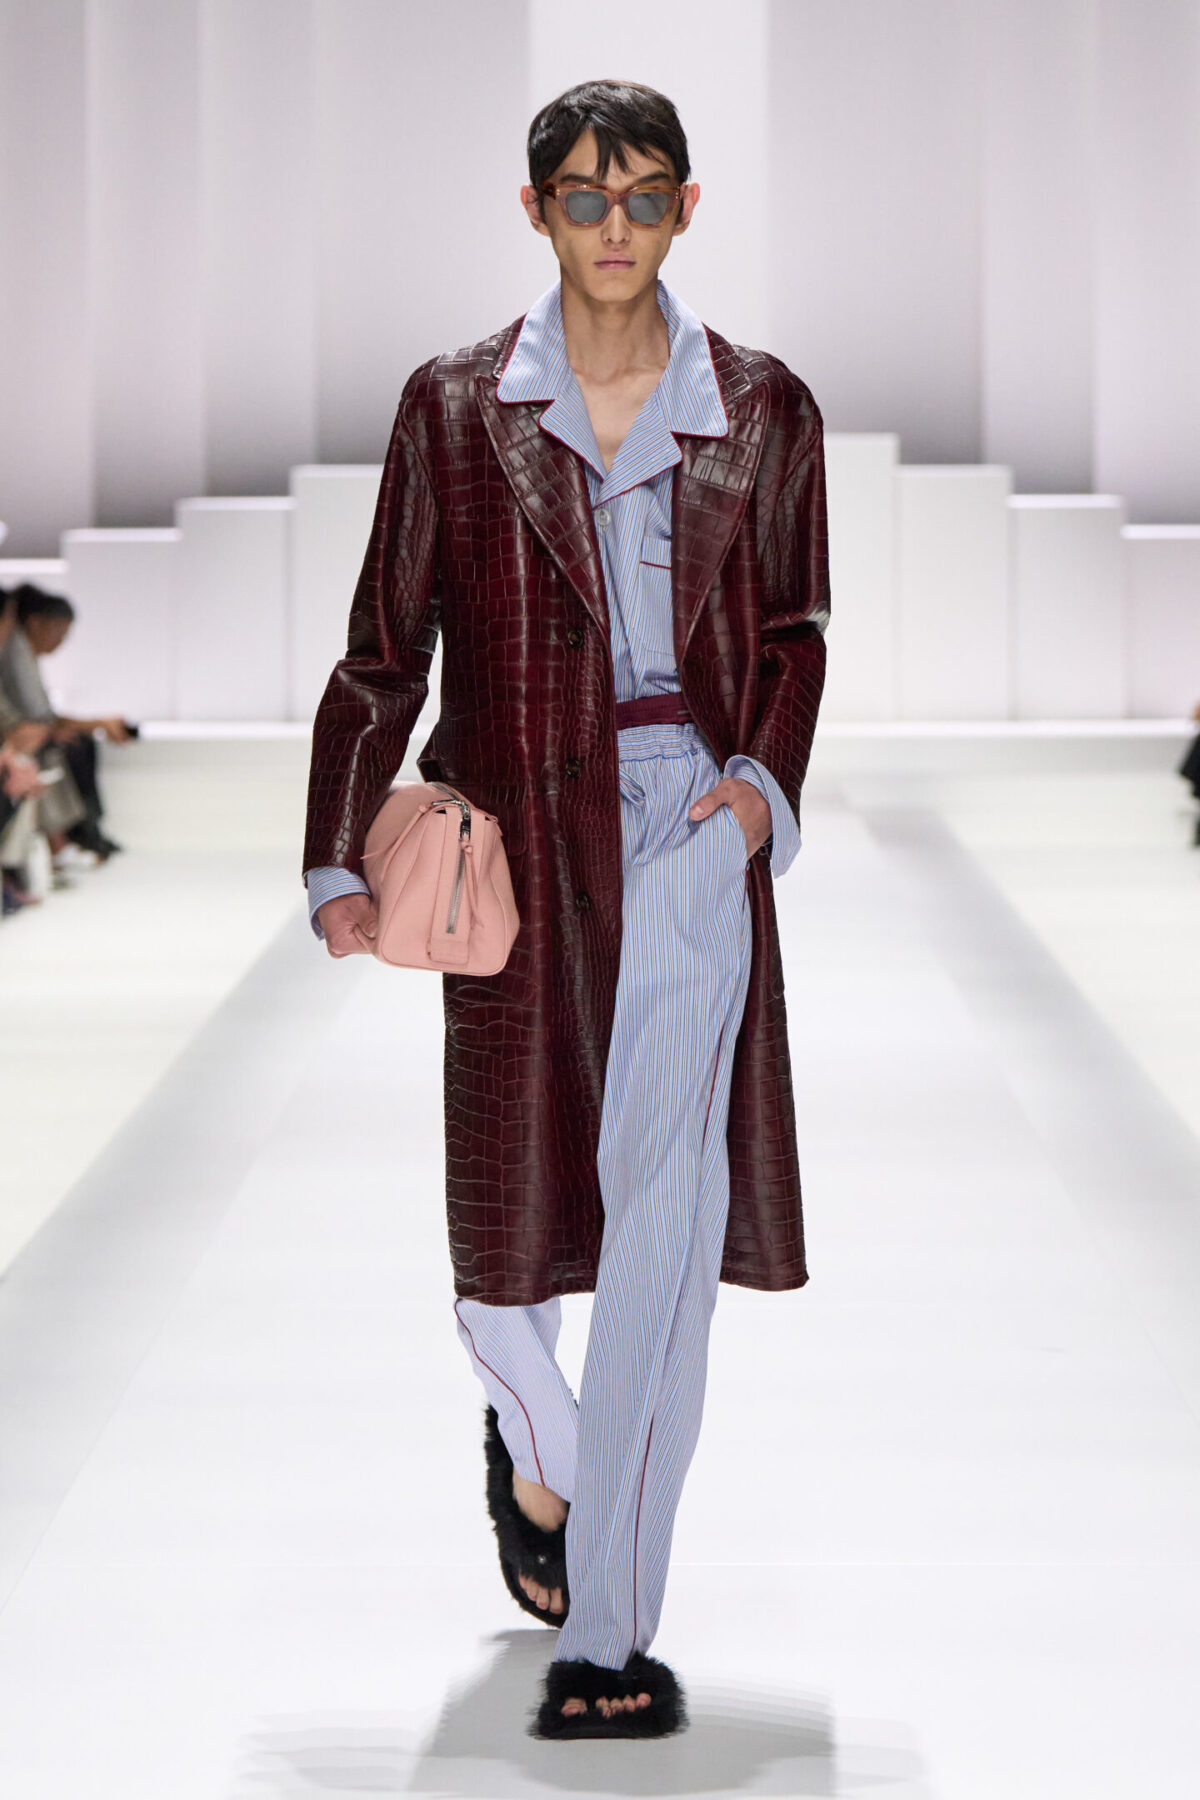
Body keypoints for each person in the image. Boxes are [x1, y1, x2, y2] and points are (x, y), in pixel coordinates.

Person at [302, 79, 829, 1739]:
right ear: (534, 210)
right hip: (516, 837)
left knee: (661, 1233)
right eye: (585, 198)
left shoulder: (762, 404)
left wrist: (754, 793)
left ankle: (607, 1632)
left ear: (688, 206)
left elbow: (795, 631)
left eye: (645, 195)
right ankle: (538, 1434)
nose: (616, 226)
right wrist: (336, 846)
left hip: (686, 825)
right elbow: (383, 641)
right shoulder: (458, 405)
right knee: (504, 1222)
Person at [0, 585, 129, 861]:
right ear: (36, 623)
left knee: (57, 748)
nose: (62, 640)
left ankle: (70, 837)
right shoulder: (16, 651)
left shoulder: (20, 651)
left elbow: (32, 715)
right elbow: (33, 715)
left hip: (14, 737)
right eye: (59, 630)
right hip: (14, 739)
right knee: (50, 751)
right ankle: (65, 840)